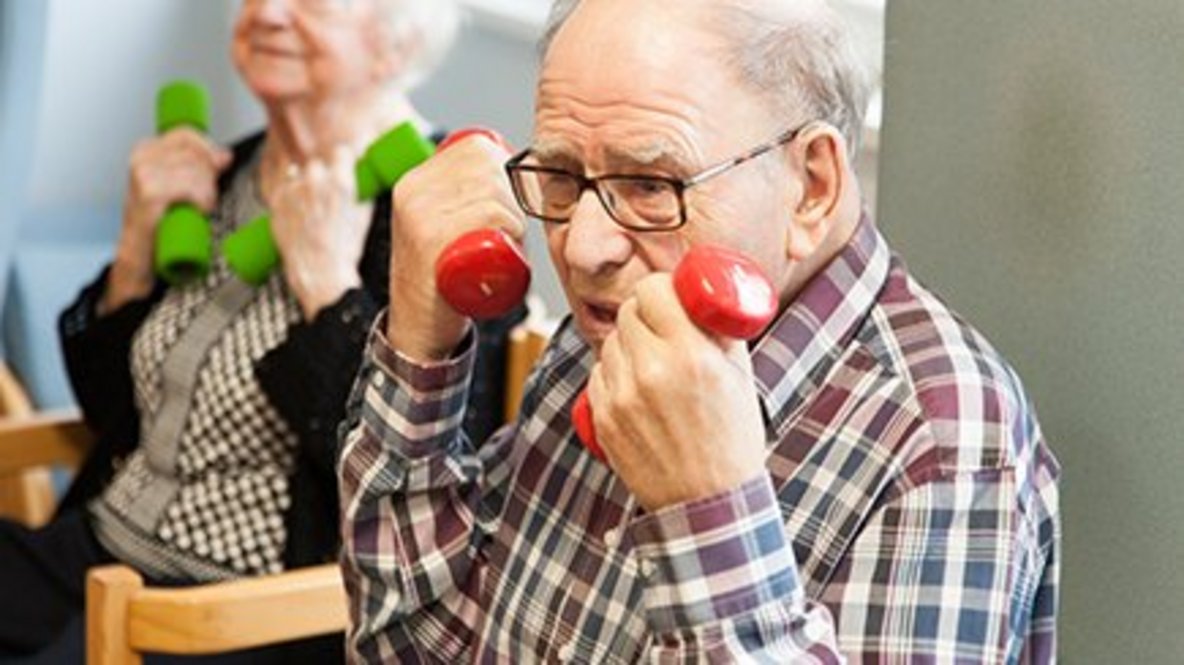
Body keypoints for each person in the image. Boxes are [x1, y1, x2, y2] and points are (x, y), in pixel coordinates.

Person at [338, 0, 1062, 661]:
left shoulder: (944, 436)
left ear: (812, 185)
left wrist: (710, 515)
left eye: (652, 185)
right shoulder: (619, 317)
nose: (585, 247)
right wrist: (418, 347)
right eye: (561, 175)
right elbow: (408, 647)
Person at [0, 0, 523, 661]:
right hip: (100, 549)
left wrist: (326, 284)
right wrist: (134, 252)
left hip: (235, 609)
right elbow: (111, 409)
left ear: (395, 43)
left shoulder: (439, 212)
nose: (269, 13)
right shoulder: (230, 170)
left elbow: (429, 484)